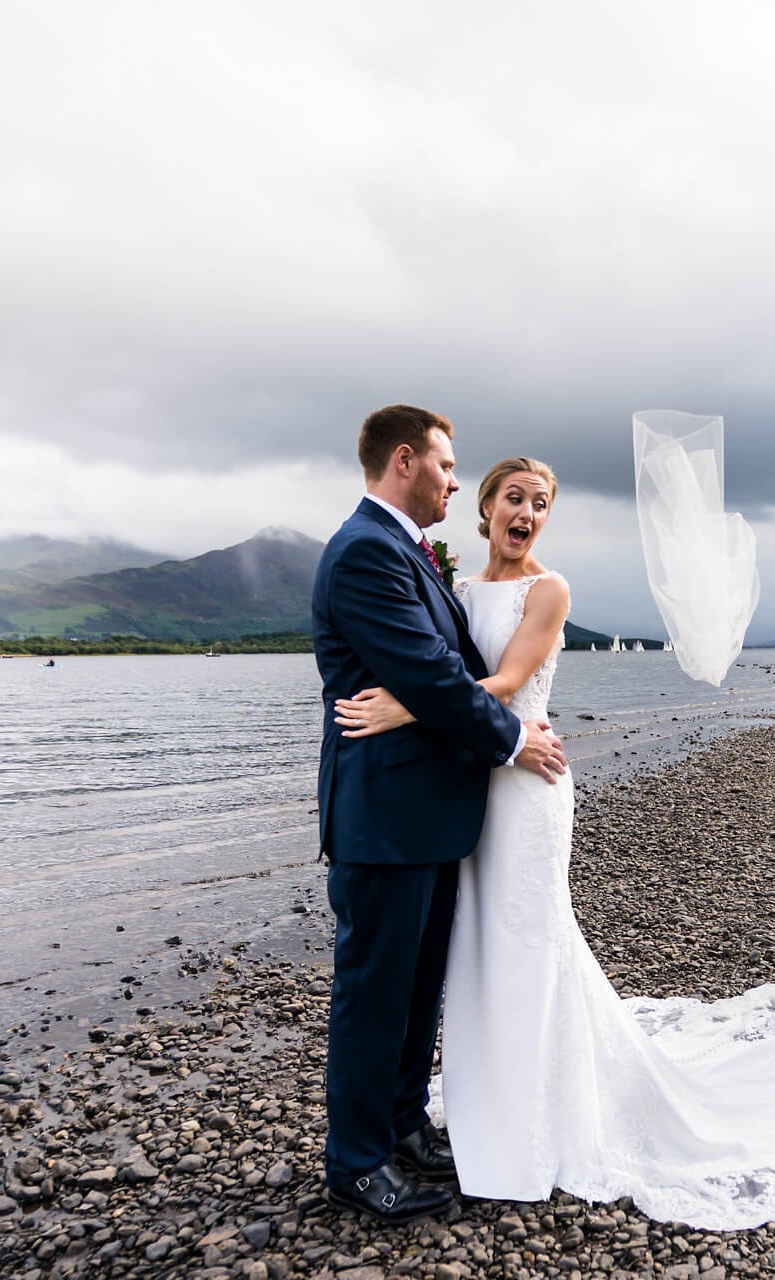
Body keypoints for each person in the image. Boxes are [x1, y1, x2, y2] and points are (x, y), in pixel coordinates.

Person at [332, 456, 775, 1231]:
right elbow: (437, 667)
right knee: (474, 947)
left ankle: (537, 1120)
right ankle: (477, 1107)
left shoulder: (550, 590)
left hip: (527, 784)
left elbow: (509, 680)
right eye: (514, 498)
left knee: (526, 941)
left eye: (541, 503)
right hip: (471, 787)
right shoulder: (457, 589)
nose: (527, 513)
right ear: (485, 507)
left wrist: (407, 709)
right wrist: (423, 705)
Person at [311, 406, 569, 1226]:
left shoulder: (408, 549)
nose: (455, 481)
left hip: (430, 813)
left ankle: (403, 1125)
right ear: (404, 461)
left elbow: (449, 670)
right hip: (386, 815)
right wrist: (513, 740)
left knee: (418, 988)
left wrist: (482, 722)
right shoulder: (365, 552)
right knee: (375, 993)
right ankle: (356, 1164)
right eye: (447, 466)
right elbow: (429, 673)